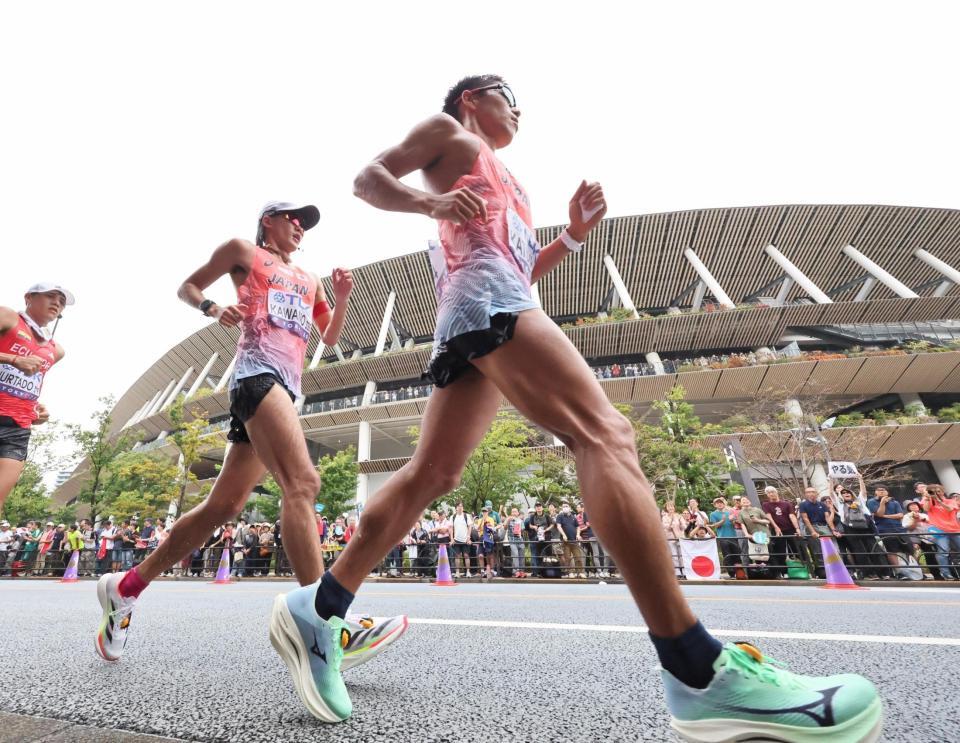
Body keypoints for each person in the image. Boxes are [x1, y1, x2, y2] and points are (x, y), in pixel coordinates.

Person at [276, 74, 883, 736]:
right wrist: (432, 202)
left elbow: (517, 263)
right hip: (489, 304)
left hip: (485, 303)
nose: (519, 110)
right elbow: (367, 179)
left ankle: (320, 608)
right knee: (604, 434)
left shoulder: (506, 178)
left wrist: (570, 237)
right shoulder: (447, 131)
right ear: (471, 99)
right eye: (508, 95)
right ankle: (696, 668)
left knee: (433, 474)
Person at [94, 201, 407, 676]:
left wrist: (342, 297)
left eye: (305, 223)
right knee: (303, 483)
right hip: (256, 376)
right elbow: (188, 286)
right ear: (268, 221)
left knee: (223, 507)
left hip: (287, 385)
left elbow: (328, 337)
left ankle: (127, 586)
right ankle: (323, 621)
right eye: (292, 218)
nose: (300, 227)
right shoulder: (243, 251)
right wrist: (213, 307)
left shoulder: (310, 278)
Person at [0, 284, 72, 512]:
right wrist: (13, 359)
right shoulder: (7, 317)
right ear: (29, 297)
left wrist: (37, 407)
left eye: (61, 301)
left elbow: (29, 381)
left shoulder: (56, 350)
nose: (57, 302)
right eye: (50, 296)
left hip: (17, 428)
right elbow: (16, 366)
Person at [867, 486, 912, 578]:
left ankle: (914, 570)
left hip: (899, 528)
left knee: (909, 549)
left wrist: (885, 516)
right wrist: (882, 503)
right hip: (884, 529)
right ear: (875, 492)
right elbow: (879, 513)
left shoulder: (894, 502)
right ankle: (898, 572)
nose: (881, 491)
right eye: (879, 490)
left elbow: (900, 515)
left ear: (887, 492)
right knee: (892, 550)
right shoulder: (871, 501)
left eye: (883, 490)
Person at [760, 487, 805, 579]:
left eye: (772, 492)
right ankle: (784, 572)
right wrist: (776, 527)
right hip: (777, 531)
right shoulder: (766, 505)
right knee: (780, 551)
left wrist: (797, 528)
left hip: (790, 529)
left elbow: (792, 516)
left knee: (797, 548)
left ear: (776, 492)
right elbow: (769, 517)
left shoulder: (786, 504)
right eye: (768, 493)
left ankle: (804, 569)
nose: (771, 494)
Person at [921, 484, 960, 580]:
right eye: (933, 492)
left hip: (954, 529)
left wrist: (938, 500)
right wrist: (927, 498)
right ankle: (946, 574)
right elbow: (926, 509)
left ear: (943, 491)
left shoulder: (951, 501)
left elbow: (949, 509)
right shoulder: (928, 500)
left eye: (939, 491)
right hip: (938, 530)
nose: (937, 493)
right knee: (943, 551)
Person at [708, 497, 740, 578]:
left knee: (737, 555)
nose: (720, 504)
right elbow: (714, 525)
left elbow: (734, 524)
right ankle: (732, 574)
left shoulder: (729, 512)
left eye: (721, 502)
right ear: (715, 505)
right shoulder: (713, 514)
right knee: (727, 556)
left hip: (733, 536)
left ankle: (740, 573)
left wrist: (733, 520)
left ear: (724, 503)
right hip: (722, 537)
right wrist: (722, 520)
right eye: (717, 503)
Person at [524, 502, 554, 578]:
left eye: (540, 506)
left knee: (546, 554)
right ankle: (537, 572)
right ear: (535, 508)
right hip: (537, 538)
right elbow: (530, 525)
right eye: (537, 506)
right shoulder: (532, 516)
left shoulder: (546, 516)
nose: (538, 508)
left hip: (546, 537)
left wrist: (546, 530)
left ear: (542, 508)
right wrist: (534, 527)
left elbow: (552, 524)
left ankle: (547, 572)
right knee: (537, 555)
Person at [450, 501, 473, 577]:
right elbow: (451, 528)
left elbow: (470, 527)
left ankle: (468, 572)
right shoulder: (452, 517)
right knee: (457, 556)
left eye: (461, 506)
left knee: (466, 555)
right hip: (456, 539)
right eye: (459, 506)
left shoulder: (467, 516)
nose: (460, 508)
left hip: (465, 539)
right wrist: (452, 539)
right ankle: (457, 572)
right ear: (456, 508)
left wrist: (468, 537)